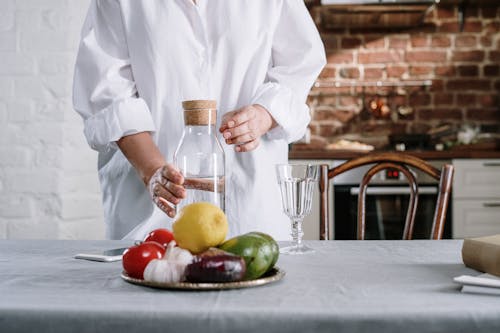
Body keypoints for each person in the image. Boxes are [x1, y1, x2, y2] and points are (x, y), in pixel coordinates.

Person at [73, 0, 326, 241]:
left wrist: (263, 115)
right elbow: (107, 91)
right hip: (150, 213)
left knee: (253, 276)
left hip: (250, 206)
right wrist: (152, 172)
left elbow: (301, 61)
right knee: (150, 277)